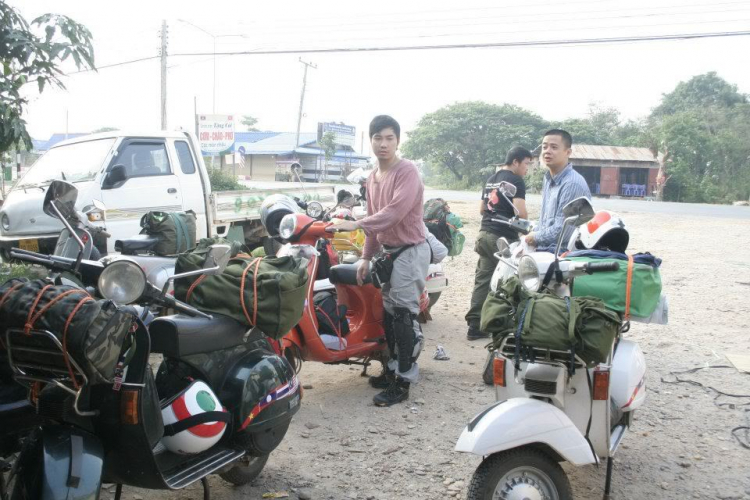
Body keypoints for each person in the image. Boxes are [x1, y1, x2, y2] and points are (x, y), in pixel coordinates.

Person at [326, 115, 430, 407]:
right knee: (388, 314)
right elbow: (376, 221)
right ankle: (392, 370)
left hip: (410, 250)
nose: (383, 144)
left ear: (398, 141)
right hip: (387, 253)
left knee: (402, 316)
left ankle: (403, 382)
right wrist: (365, 257)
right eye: (377, 138)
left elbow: (394, 212)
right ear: (370, 140)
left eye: (389, 138)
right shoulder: (373, 177)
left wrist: (355, 225)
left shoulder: (407, 171)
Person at [465, 146, 531, 341]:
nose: (527, 169)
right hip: (503, 238)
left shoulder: (491, 179)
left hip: (484, 235)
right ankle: (508, 325)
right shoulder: (516, 180)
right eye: (526, 164)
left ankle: (475, 326)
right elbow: (521, 213)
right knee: (512, 281)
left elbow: (482, 209)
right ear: (516, 162)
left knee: (483, 281)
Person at [525, 129, 591, 250]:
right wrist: (534, 232)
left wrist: (535, 237)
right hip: (545, 249)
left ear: (568, 152)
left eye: (554, 147)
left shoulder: (572, 184)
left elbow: (562, 231)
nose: (547, 151)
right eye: (544, 147)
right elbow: (545, 220)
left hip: (562, 255)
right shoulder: (548, 179)